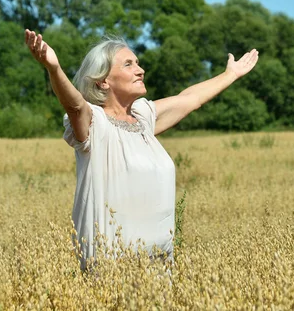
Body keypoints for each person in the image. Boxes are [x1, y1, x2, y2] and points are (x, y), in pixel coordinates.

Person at [24, 29, 259, 270]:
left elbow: (189, 98)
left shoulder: (142, 118)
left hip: (159, 268)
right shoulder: (96, 124)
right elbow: (75, 105)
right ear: (103, 80)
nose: (140, 69)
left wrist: (231, 74)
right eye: (128, 64)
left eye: (138, 62)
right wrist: (54, 68)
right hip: (112, 273)